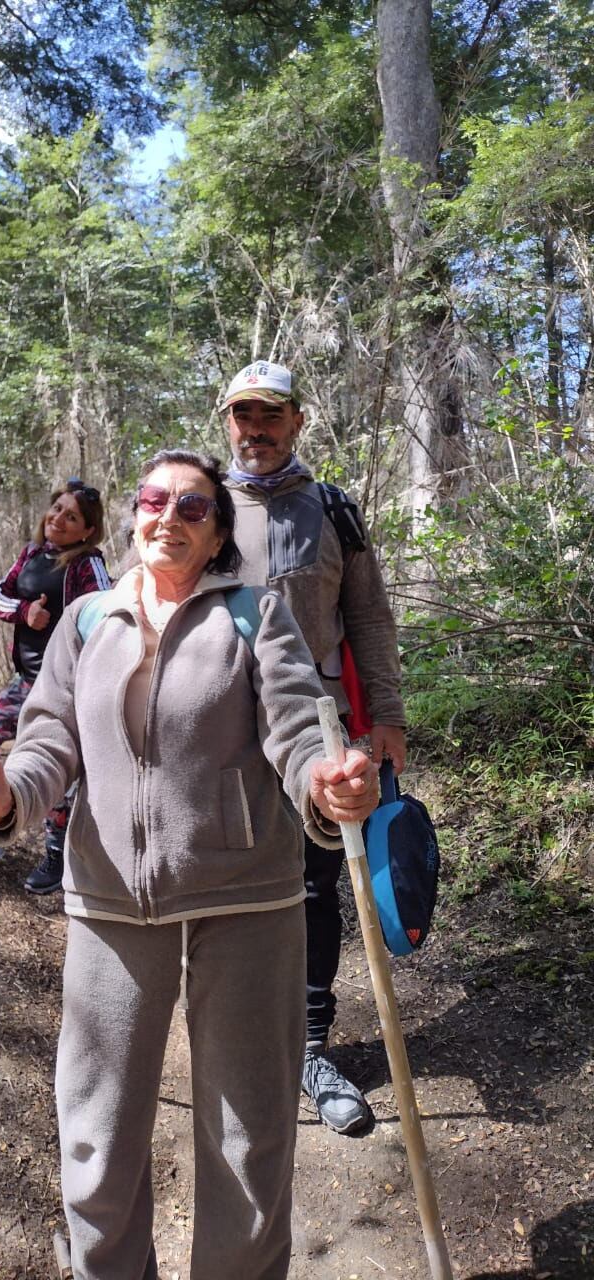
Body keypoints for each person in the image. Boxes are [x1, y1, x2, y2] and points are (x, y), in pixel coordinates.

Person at [0, 449, 379, 1280]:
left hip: (249, 901)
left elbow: (294, 734)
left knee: (249, 1143)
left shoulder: (257, 614)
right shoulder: (85, 622)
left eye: (193, 507)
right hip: (108, 905)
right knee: (96, 1141)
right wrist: (3, 796)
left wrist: (328, 789)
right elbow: (47, 747)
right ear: (135, 514)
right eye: (154, 500)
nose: (168, 517)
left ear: (217, 533)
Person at [220, 358, 408, 1135]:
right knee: (224, 885)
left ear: (298, 420)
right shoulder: (199, 505)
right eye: (242, 415)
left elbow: (367, 617)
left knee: (312, 888)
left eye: (271, 415)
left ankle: (307, 1048)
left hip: (321, 735)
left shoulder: (333, 509)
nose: (255, 430)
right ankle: (232, 1037)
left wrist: (387, 716)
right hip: (222, 735)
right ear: (227, 422)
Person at [0, 478, 110, 894]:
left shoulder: (87, 564)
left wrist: (74, 630)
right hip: (26, 680)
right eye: (56, 509)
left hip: (67, 686)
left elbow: (107, 611)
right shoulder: (31, 555)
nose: (58, 519)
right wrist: (25, 611)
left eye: (71, 516)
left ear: (87, 530)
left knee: (57, 762)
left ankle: (58, 849)